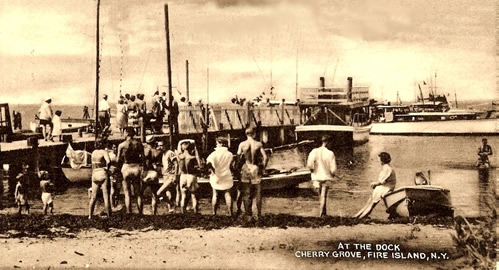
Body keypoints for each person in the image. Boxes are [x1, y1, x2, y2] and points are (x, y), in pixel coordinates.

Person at [236, 127, 268, 219]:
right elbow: (265, 158)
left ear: (246, 134)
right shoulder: (258, 144)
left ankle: (248, 214)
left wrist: (238, 170)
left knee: (247, 193)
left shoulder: (242, 144)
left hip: (246, 168)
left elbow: (238, 159)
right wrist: (263, 168)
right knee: (258, 193)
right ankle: (258, 214)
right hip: (255, 168)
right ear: (254, 134)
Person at [353, 152, 396, 219]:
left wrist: (375, 183)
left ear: (382, 160)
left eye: (379, 159)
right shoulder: (386, 167)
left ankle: (361, 216)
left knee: (372, 202)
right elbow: (383, 181)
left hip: (387, 187)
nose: (378, 161)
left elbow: (382, 181)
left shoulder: (387, 168)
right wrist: (376, 184)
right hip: (384, 186)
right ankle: (357, 215)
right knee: (370, 200)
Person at [306, 135, 337, 217]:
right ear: (328, 142)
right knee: (323, 196)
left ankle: (324, 213)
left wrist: (312, 170)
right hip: (326, 177)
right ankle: (321, 215)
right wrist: (333, 175)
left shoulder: (314, 151)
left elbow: (309, 164)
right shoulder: (330, 153)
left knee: (321, 196)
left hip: (316, 177)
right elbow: (333, 169)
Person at [117, 127, 145, 214]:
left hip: (126, 167)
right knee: (138, 193)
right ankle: (140, 212)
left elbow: (118, 159)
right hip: (136, 167)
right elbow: (143, 158)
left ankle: (129, 212)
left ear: (127, 133)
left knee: (127, 193)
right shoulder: (139, 144)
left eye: (124, 132)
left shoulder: (122, 145)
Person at [206, 136, 234, 216]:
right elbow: (231, 165)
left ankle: (214, 213)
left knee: (215, 194)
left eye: (217, 143)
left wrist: (212, 170)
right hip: (227, 174)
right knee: (228, 194)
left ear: (220, 143)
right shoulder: (230, 154)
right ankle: (230, 213)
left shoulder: (213, 154)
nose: (216, 145)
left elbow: (208, 163)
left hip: (216, 175)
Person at [178, 139, 202, 214]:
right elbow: (200, 165)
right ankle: (195, 212)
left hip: (183, 176)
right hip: (191, 176)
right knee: (193, 196)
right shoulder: (192, 157)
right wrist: (195, 146)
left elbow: (179, 143)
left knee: (183, 196)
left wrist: (184, 142)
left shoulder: (180, 156)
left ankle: (183, 212)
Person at [89, 140, 111, 219]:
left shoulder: (93, 152)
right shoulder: (104, 152)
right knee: (106, 196)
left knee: (93, 197)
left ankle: (90, 216)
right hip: (102, 172)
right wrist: (107, 168)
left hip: (95, 173)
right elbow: (108, 161)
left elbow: (92, 164)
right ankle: (109, 216)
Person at [141, 135, 163, 215]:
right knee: (154, 194)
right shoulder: (157, 151)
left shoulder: (143, 151)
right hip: (153, 172)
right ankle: (154, 212)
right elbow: (159, 162)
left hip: (145, 172)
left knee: (140, 193)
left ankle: (140, 212)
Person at [157, 140, 178, 213]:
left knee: (159, 193)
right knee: (168, 193)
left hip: (171, 176)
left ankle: (171, 204)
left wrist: (175, 175)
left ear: (165, 145)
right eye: (159, 145)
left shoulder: (170, 153)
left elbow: (176, 164)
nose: (160, 147)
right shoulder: (163, 154)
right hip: (165, 176)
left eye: (161, 145)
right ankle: (170, 210)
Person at [108, 143, 122, 208]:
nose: (115, 149)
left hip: (119, 174)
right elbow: (107, 164)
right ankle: (112, 205)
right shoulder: (110, 155)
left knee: (118, 191)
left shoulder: (121, 155)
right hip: (111, 174)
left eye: (116, 147)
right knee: (112, 190)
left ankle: (116, 204)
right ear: (112, 148)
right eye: (113, 147)